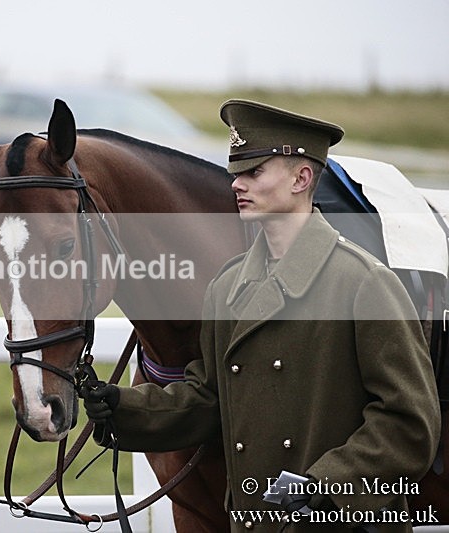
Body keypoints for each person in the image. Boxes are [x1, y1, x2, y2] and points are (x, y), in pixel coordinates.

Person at [82, 99, 441, 532]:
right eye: (236, 173)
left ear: (301, 177)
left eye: (254, 172)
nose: (237, 184)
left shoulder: (365, 283)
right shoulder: (228, 287)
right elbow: (210, 398)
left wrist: (324, 488)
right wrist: (124, 409)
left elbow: (409, 423)